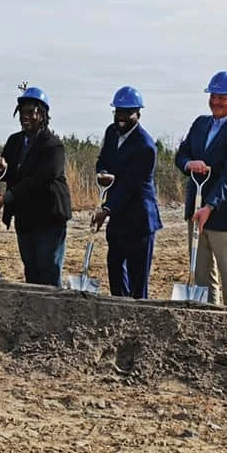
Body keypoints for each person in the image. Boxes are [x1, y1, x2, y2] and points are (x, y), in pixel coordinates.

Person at [173, 71, 227, 308]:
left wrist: (209, 206)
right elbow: (182, 154)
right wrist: (189, 164)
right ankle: (207, 324)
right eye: (213, 96)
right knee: (201, 278)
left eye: (223, 98)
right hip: (197, 212)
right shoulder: (200, 124)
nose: (216, 102)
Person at [0, 87, 72, 287]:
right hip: (25, 217)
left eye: (31, 112)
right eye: (22, 112)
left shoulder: (53, 146)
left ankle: (52, 312)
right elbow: (7, 174)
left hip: (49, 217)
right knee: (31, 268)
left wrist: (7, 197)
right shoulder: (14, 141)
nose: (25, 117)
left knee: (48, 268)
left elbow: (38, 180)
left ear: (42, 115)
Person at [91, 86, 162, 299]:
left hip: (140, 219)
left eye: (127, 112)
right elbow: (103, 160)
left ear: (138, 115)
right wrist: (102, 172)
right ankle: (118, 311)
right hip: (118, 217)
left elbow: (129, 186)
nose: (121, 117)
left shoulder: (145, 146)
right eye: (118, 111)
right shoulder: (111, 133)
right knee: (115, 268)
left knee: (137, 280)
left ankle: (139, 319)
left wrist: (106, 210)